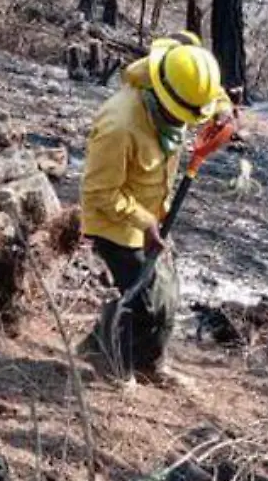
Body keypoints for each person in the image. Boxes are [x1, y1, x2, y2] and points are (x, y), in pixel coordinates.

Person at [79, 35, 230, 386]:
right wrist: (144, 222)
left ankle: (151, 363)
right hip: (115, 221)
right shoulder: (119, 126)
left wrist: (221, 110)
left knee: (168, 295)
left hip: (153, 215)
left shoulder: (181, 65)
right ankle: (107, 358)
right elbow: (99, 192)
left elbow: (211, 88)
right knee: (143, 299)